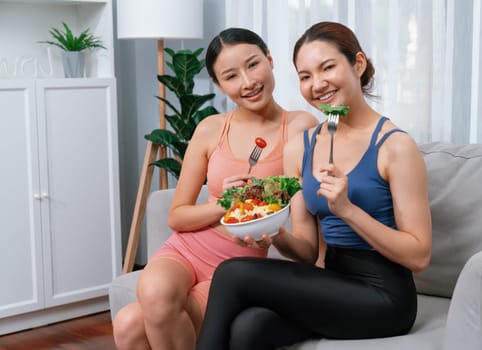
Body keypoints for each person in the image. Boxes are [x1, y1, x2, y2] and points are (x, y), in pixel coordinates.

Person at [196, 21, 432, 350]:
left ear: (358, 64)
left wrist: (348, 210)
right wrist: (276, 231)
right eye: (305, 76)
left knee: (233, 273)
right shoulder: (301, 147)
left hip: (385, 295)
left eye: (327, 68)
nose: (317, 84)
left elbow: (419, 256)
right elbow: (306, 253)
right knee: (248, 329)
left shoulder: (395, 146)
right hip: (332, 278)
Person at [112, 27, 317, 350]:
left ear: (270, 60)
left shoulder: (300, 127)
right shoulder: (210, 129)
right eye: (231, 76)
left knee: (130, 325)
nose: (247, 82)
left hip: (236, 267)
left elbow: (307, 248)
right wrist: (226, 204)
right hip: (185, 250)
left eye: (253, 65)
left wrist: (277, 231)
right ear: (220, 85)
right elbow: (178, 217)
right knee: (147, 298)